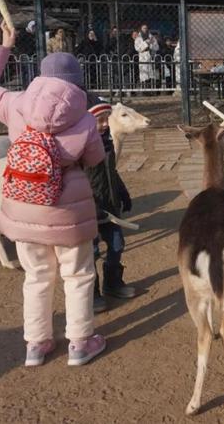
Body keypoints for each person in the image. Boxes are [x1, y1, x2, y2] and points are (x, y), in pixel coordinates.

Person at [0, 22, 107, 367]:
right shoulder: (86, 118)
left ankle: (36, 345)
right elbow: (95, 160)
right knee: (77, 275)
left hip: (23, 202)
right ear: (77, 82)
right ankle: (79, 343)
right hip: (68, 209)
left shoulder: (14, 104)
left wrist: (4, 45)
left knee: (36, 276)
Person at [85, 95, 136, 313]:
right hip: (90, 210)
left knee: (117, 244)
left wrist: (123, 193)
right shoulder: (81, 148)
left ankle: (112, 282)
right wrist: (90, 204)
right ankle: (92, 292)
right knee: (92, 251)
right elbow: (79, 180)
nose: (106, 124)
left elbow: (111, 171)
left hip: (111, 206)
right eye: (100, 120)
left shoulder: (106, 143)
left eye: (107, 118)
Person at [134, 24, 159, 91]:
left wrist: (151, 45)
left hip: (150, 56)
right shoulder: (138, 38)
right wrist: (146, 43)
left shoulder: (151, 37)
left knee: (151, 74)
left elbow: (156, 47)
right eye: (144, 28)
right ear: (141, 29)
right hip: (143, 56)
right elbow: (137, 48)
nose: (145, 29)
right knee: (144, 74)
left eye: (146, 28)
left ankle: (152, 90)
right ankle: (144, 90)